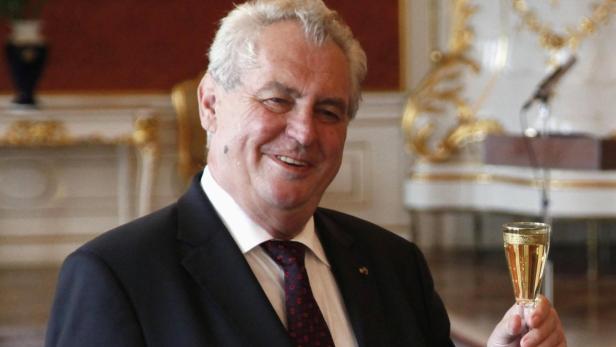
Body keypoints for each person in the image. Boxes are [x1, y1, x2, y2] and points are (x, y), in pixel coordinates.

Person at [45, 1, 566, 346]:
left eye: (329, 112)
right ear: (210, 103)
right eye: (277, 100)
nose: (303, 133)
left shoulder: (394, 266)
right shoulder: (116, 277)